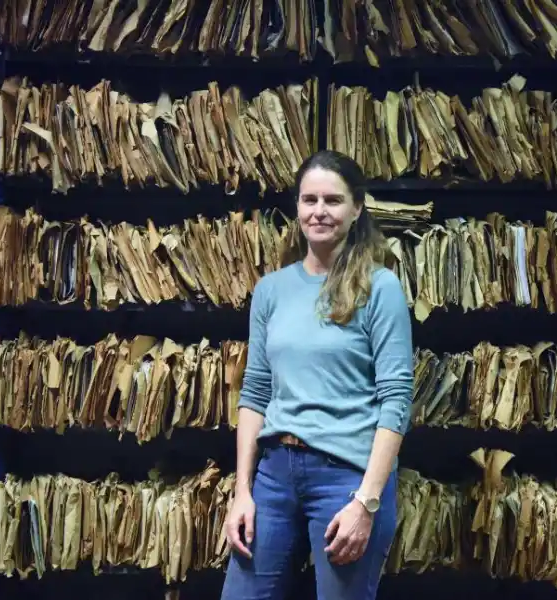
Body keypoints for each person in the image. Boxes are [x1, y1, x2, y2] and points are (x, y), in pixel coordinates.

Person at [220, 150, 414, 600]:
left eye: (333, 200)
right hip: (274, 476)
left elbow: (396, 398)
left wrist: (367, 501)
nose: (319, 211)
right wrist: (242, 491)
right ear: (297, 207)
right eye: (310, 200)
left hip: (347, 478)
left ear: (356, 208)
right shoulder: (271, 290)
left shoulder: (380, 287)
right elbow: (256, 393)